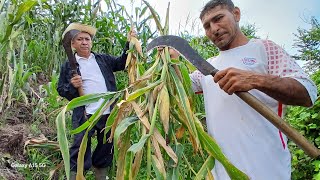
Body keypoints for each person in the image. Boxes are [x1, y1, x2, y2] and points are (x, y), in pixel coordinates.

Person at [189, 0, 318, 179]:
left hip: (267, 169)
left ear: (236, 14)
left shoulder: (263, 49)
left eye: (218, 19)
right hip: (222, 173)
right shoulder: (206, 69)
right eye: (207, 26)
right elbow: (177, 86)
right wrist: (167, 59)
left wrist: (255, 79)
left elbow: (308, 92)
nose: (214, 29)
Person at [57, 22, 136, 180]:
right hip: (84, 113)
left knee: (106, 145)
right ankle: (76, 175)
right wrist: (72, 86)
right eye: (80, 39)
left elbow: (121, 63)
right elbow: (61, 89)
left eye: (87, 39)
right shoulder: (69, 66)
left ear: (91, 42)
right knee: (79, 146)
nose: (84, 42)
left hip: (107, 112)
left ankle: (100, 174)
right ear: (73, 44)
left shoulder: (102, 59)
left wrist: (130, 43)